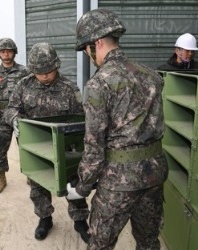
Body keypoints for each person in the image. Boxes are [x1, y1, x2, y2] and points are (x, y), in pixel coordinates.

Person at [68, 9, 169, 249]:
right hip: (154, 173)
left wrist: (81, 188)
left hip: (119, 181)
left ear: (97, 43)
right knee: (148, 241)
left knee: (100, 243)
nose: (86, 54)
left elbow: (94, 146)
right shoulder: (152, 76)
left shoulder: (98, 84)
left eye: (86, 48)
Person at [4, 42, 90, 243]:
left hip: (66, 146)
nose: (44, 76)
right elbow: (10, 109)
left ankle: (80, 220)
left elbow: (81, 117)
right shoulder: (23, 86)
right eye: (39, 72)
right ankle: (45, 218)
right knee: (38, 184)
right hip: (36, 148)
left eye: (48, 71)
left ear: (56, 66)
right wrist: (15, 120)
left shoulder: (69, 88)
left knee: (74, 182)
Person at [0, 38, 30, 194]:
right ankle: (1, 177)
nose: (6, 54)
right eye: (3, 51)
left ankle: (30, 174)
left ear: (14, 53)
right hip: (2, 119)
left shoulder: (25, 72)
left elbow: (32, 93)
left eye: (9, 51)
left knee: (26, 147)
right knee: (0, 150)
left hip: (21, 117)